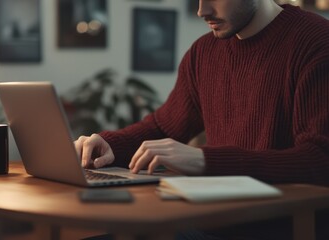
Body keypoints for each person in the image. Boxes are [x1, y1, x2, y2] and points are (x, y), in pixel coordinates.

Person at [75, 0, 329, 239]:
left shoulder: (316, 41)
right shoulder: (203, 52)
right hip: (216, 222)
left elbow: (320, 160)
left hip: (281, 228)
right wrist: (110, 145)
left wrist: (204, 160)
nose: (201, 10)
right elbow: (163, 126)